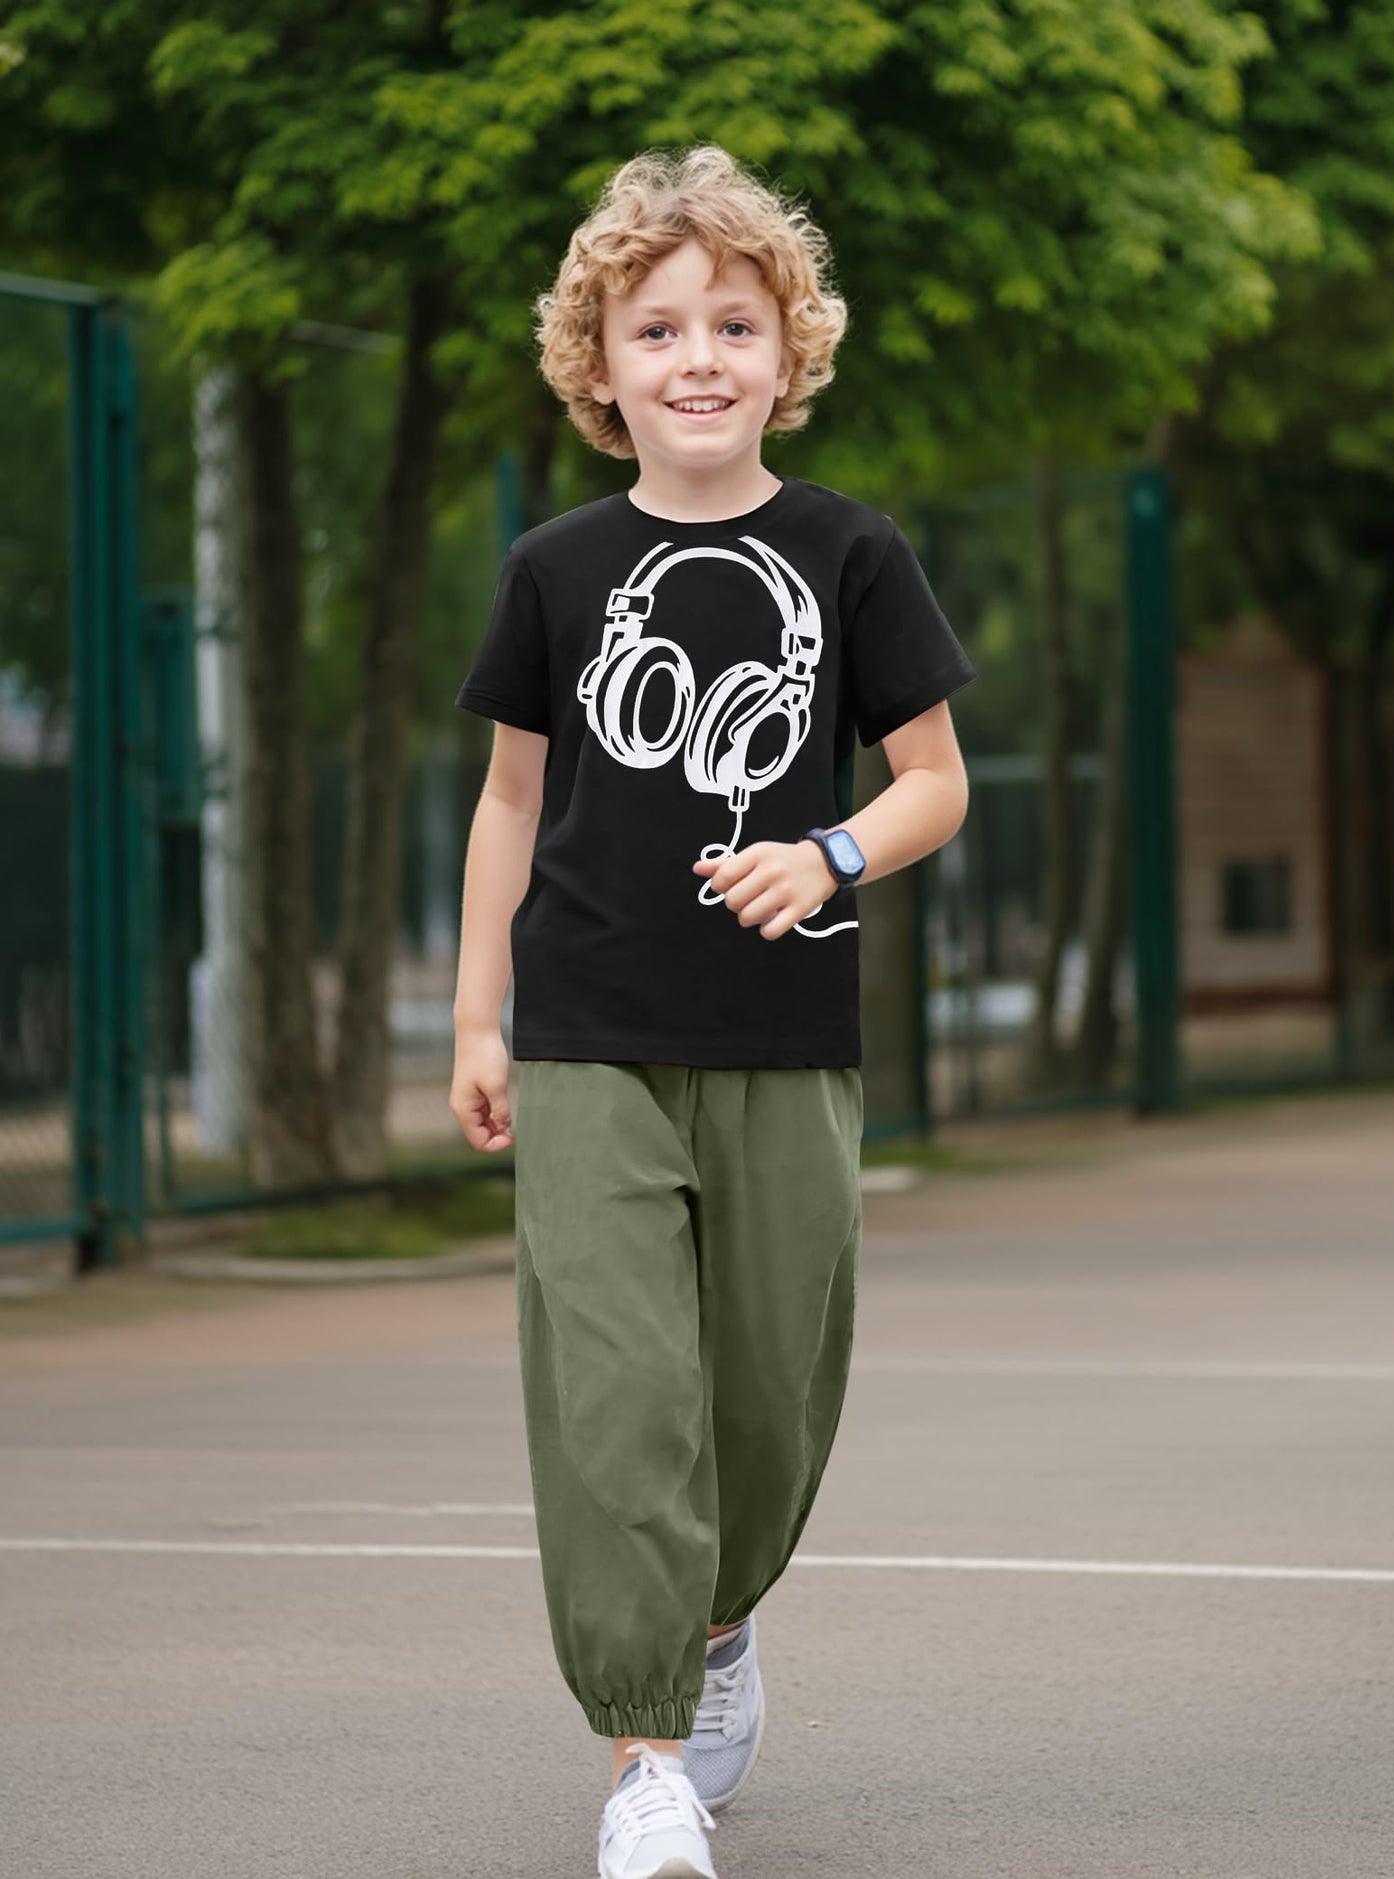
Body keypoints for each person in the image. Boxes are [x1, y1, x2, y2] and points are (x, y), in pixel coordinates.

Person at [449, 143, 976, 1879]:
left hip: (781, 1047)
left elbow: (932, 783)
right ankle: (644, 1763)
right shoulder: (552, 567)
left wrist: (826, 852)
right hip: (585, 1036)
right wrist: (474, 1020)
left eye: (730, 324)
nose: (694, 356)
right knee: (618, 1404)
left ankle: (724, 1613)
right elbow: (512, 805)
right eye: (655, 326)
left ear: (786, 352)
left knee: (765, 1398)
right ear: (597, 366)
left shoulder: (850, 553)